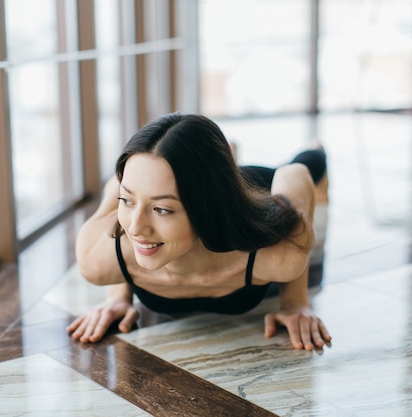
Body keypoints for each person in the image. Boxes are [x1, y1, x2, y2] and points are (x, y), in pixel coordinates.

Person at [67, 113, 332, 351]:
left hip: (247, 189)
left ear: (208, 210)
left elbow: (295, 175)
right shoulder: (96, 258)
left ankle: (297, 149)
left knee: (312, 161)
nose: (136, 228)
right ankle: (225, 154)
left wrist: (294, 302)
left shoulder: (276, 256)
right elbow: (117, 185)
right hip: (196, 182)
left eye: (161, 209)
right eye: (128, 201)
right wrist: (118, 297)